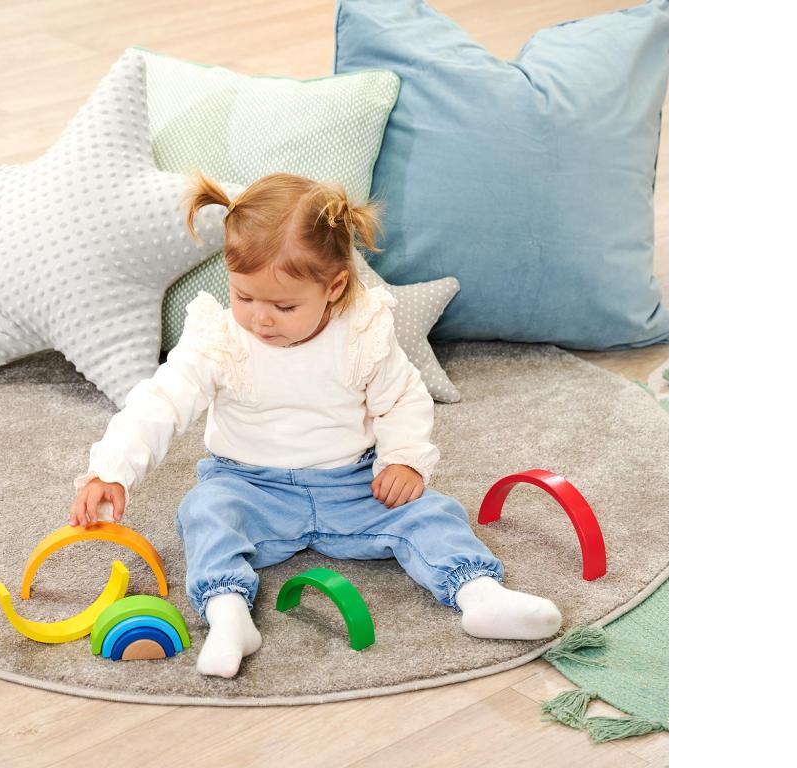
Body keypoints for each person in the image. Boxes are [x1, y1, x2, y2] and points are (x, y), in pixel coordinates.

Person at [69, 171, 562, 678]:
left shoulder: (362, 331)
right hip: (248, 485)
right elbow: (159, 403)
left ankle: (479, 593)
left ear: (335, 286)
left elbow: (402, 399)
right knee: (205, 513)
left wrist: (403, 460)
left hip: (353, 482)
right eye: (244, 297)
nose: (261, 319)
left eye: (284, 306)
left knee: (432, 513)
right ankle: (228, 613)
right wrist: (112, 469)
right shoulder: (219, 340)